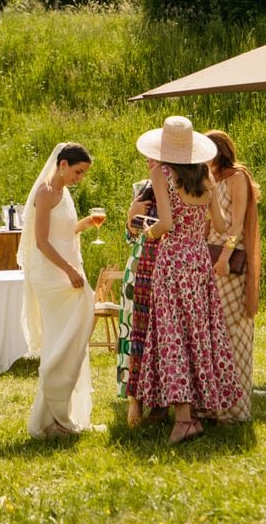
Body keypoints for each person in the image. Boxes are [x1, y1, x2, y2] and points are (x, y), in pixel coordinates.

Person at [135, 116, 242, 444]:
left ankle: (182, 420)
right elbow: (223, 226)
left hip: (173, 263)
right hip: (198, 261)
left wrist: (147, 231)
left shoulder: (161, 174)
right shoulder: (207, 176)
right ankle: (194, 415)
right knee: (197, 333)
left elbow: (165, 223)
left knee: (172, 336)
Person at [17, 142, 99, 438]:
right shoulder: (45, 193)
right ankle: (50, 415)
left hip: (66, 271)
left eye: (83, 174)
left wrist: (84, 225)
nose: (80, 178)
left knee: (73, 337)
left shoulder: (63, 194)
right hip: (51, 276)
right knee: (61, 339)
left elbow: (64, 232)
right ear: (62, 164)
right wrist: (69, 270)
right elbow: (41, 241)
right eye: (78, 172)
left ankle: (61, 414)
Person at [206, 130, 261, 421]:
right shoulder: (210, 179)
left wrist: (225, 257)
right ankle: (214, 404)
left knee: (232, 331)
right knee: (213, 335)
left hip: (229, 263)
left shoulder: (237, 177)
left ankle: (234, 408)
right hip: (210, 261)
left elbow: (236, 225)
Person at [117, 178, 161, 427]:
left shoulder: (182, 185)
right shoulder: (141, 187)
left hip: (167, 264)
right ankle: (134, 399)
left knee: (158, 335)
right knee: (133, 332)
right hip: (138, 266)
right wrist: (130, 216)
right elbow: (130, 237)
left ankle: (159, 401)